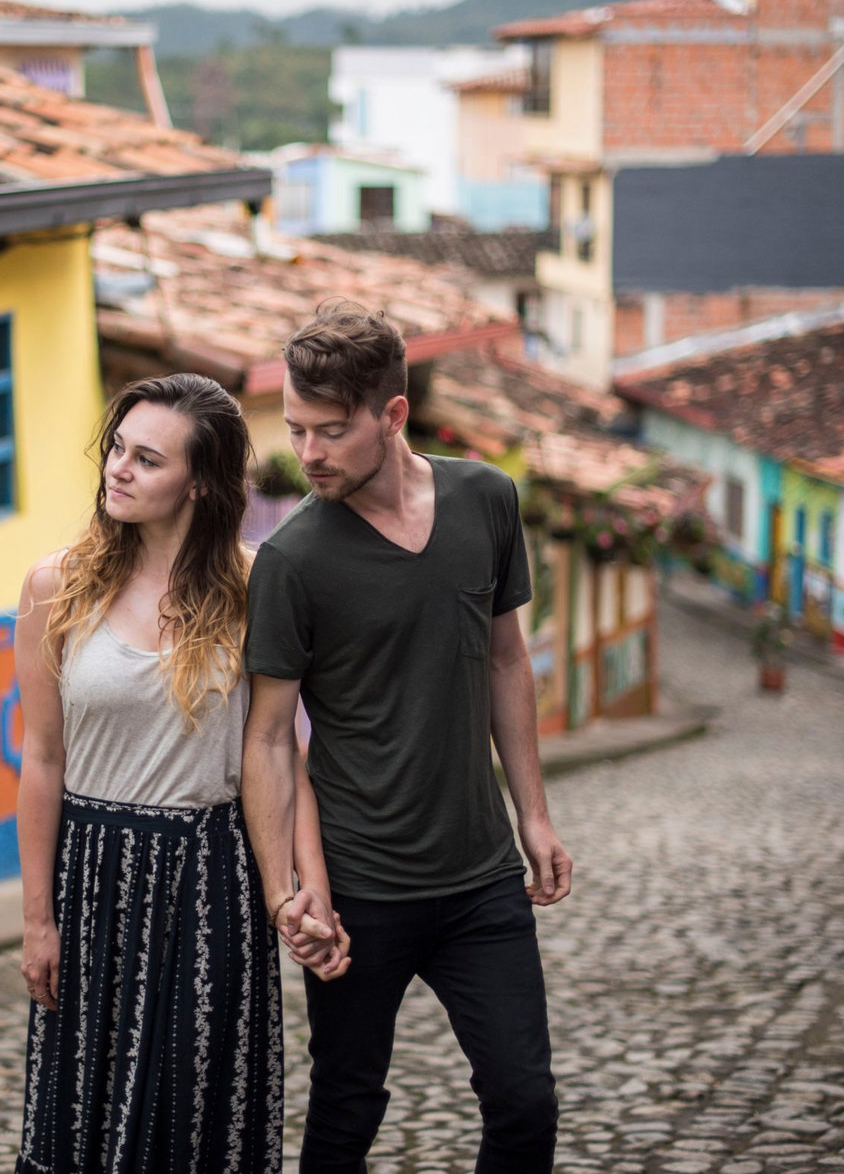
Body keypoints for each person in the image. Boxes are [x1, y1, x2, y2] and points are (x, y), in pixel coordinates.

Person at [241, 299, 574, 1174]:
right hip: (360, 890)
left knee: (525, 1104)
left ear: (393, 414)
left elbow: (506, 659)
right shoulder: (292, 561)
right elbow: (269, 740)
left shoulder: (485, 500)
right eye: (296, 430)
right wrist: (288, 893)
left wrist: (534, 816)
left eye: (331, 431)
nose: (308, 453)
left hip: (481, 879)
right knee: (346, 1111)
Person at [15, 372, 300, 1173]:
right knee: (84, 1110)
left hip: (212, 876)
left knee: (194, 1117)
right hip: (92, 873)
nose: (118, 468)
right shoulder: (55, 587)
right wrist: (38, 921)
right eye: (117, 448)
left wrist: (289, 890)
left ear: (200, 482)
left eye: (147, 458)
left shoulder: (257, 588)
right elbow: (42, 757)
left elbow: (276, 748)